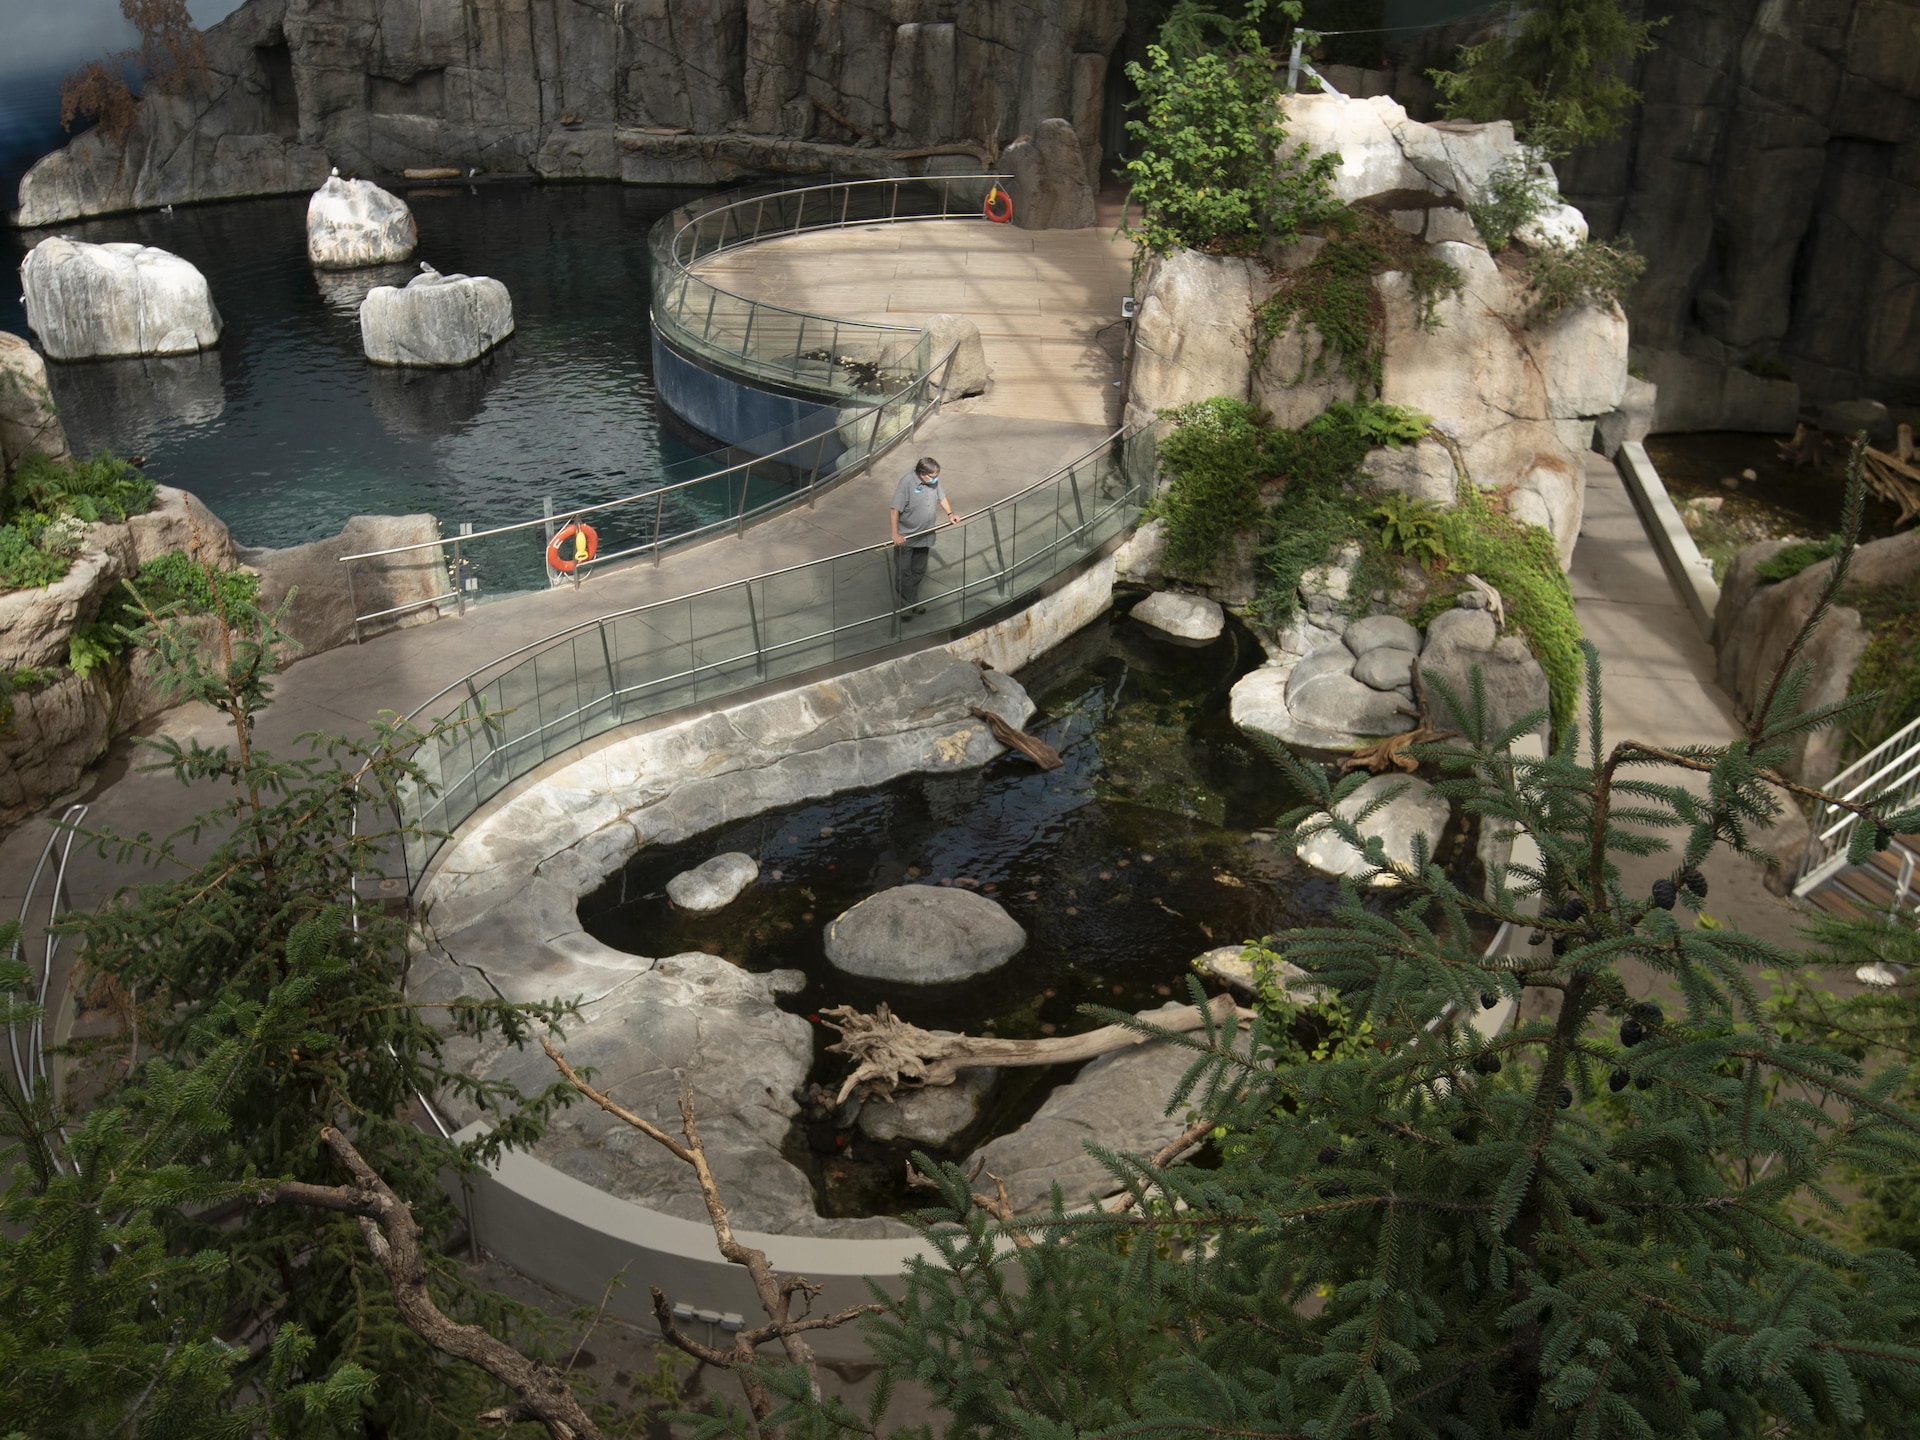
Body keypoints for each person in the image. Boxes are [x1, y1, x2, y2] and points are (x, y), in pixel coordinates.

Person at [889, 455, 958, 615]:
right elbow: (894, 510)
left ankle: (910, 600)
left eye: (937, 476)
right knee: (903, 573)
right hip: (906, 538)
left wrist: (950, 514)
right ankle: (906, 606)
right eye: (933, 477)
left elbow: (942, 497)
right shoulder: (906, 483)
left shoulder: (933, 481)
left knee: (919, 570)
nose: (936, 480)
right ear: (922, 473)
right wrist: (895, 534)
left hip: (925, 535)